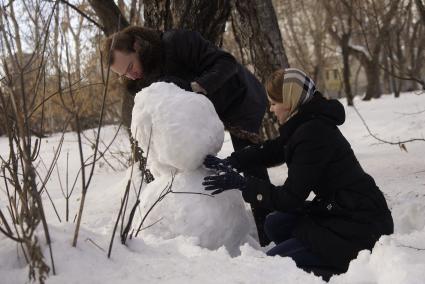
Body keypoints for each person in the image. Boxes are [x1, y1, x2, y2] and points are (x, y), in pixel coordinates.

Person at [202, 68, 394, 280]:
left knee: (276, 265)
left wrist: (244, 185)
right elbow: (277, 148)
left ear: (290, 101)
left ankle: (342, 271)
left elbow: (289, 198)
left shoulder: (313, 133)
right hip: (341, 207)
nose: (271, 110)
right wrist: (233, 161)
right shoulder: (306, 120)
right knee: (274, 224)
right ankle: (312, 256)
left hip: (358, 223)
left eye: (274, 103)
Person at [102, 26, 272, 246]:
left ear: (137, 46)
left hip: (240, 97)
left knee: (251, 164)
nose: (131, 75)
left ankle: (271, 232)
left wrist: (194, 87)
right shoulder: (140, 79)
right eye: (123, 74)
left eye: (130, 66)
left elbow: (226, 63)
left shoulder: (178, 41)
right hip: (210, 115)